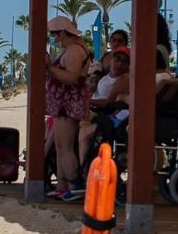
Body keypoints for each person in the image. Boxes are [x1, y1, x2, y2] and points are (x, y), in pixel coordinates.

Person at [45, 15, 92, 198]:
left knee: (65, 146)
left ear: (63, 33)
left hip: (68, 104)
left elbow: (71, 77)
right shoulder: (73, 49)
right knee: (60, 145)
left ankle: (75, 185)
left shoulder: (74, 51)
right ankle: (62, 186)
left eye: (56, 35)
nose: (55, 39)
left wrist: (50, 67)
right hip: (64, 104)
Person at [74, 46, 130, 183]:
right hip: (94, 111)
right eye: (117, 59)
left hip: (104, 114)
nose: (120, 63)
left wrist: (88, 101)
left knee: (82, 132)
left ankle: (84, 174)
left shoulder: (123, 79)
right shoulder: (105, 78)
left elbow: (109, 102)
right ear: (111, 60)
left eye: (124, 61)